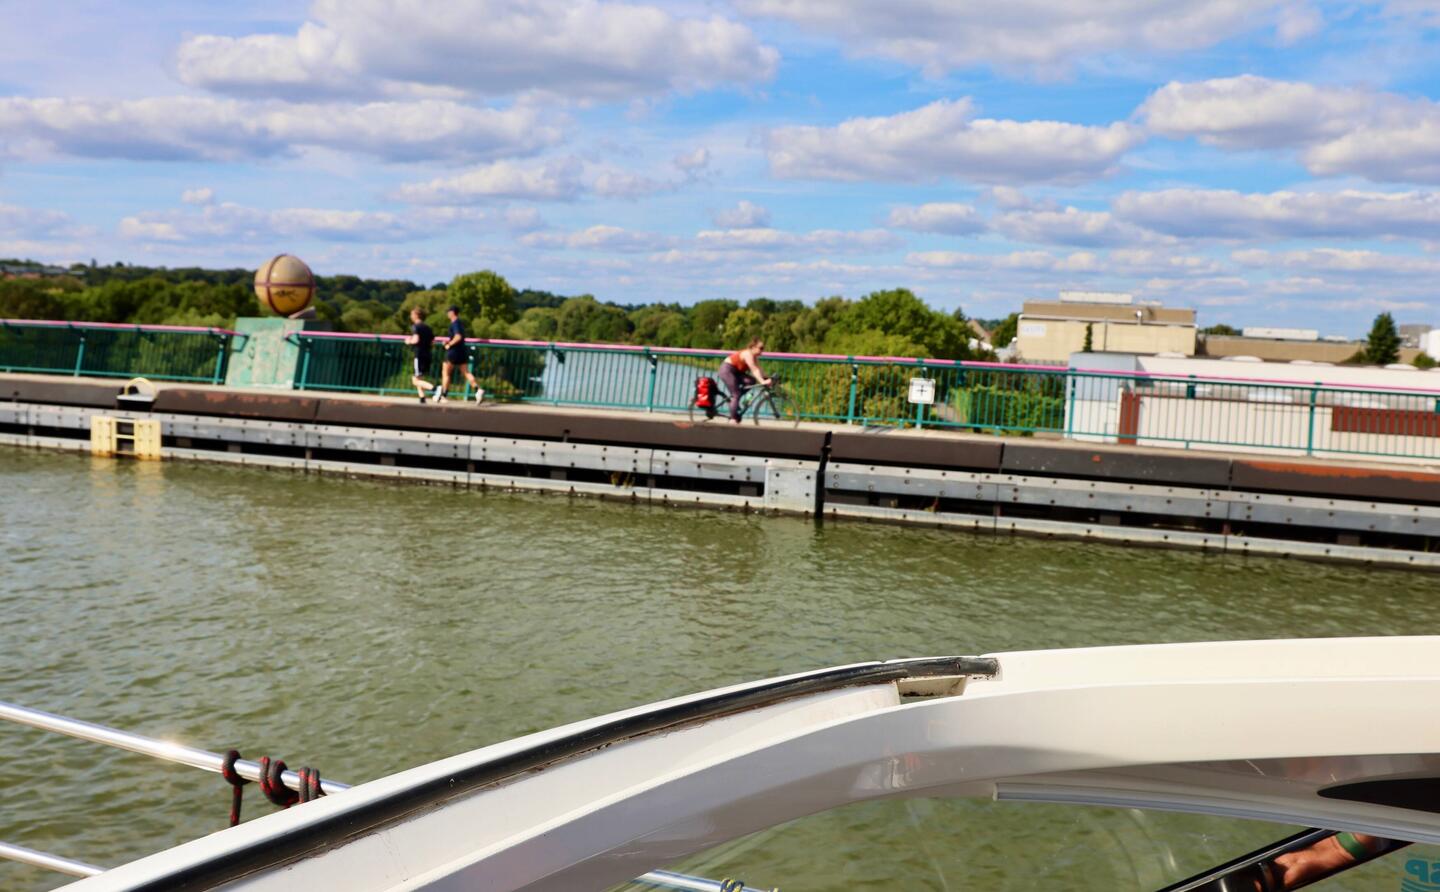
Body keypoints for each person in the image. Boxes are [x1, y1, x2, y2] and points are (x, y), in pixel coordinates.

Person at [434, 306, 484, 404]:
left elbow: (458, 337)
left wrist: (449, 344)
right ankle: (478, 390)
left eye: (448, 312)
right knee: (465, 372)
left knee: (446, 372)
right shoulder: (460, 323)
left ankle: (443, 395)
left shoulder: (455, 323)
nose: (447, 314)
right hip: (462, 351)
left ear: (452, 312)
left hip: (453, 351)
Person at [717, 337, 771, 424]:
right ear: (753, 347)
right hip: (727, 370)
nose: (762, 352)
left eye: (763, 349)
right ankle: (732, 418)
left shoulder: (754, 357)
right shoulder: (747, 354)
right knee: (736, 394)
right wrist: (762, 381)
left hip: (736, 372)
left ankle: (735, 400)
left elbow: (759, 369)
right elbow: (754, 370)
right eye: (760, 348)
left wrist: (767, 378)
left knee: (751, 381)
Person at [403, 307, 436, 403]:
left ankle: (435, 389)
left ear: (416, 315)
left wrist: (409, 341)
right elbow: (432, 342)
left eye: (412, 314)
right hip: (427, 354)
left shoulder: (416, 327)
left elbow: (416, 340)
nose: (411, 316)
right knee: (418, 377)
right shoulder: (428, 328)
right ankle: (422, 397)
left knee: (415, 380)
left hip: (419, 354)